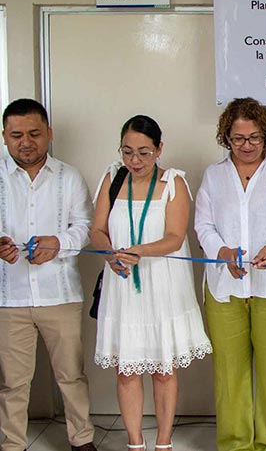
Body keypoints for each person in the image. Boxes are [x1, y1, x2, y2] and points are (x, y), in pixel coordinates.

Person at [90, 115, 211, 451]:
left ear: (160, 149)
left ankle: (163, 442)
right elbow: (97, 229)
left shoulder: (174, 183)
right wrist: (109, 255)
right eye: (127, 152)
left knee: (163, 368)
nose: (135, 161)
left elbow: (174, 237)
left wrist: (139, 251)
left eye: (144, 153)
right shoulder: (112, 178)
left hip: (163, 285)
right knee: (127, 371)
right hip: (123, 284)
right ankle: (134, 443)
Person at [195, 98, 266, 451]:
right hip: (225, 288)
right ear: (226, 137)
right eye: (238, 138)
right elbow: (204, 225)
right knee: (230, 373)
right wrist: (222, 252)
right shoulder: (214, 175)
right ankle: (236, 443)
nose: (247, 146)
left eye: (254, 138)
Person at [0, 99, 96, 451]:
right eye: (16, 135)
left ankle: (82, 440)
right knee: (13, 382)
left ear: (49, 134)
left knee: (71, 375)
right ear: (5, 137)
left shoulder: (69, 177)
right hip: (9, 296)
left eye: (34, 133)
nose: (26, 142)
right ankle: (12, 444)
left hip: (60, 294)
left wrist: (59, 243)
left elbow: (85, 226)